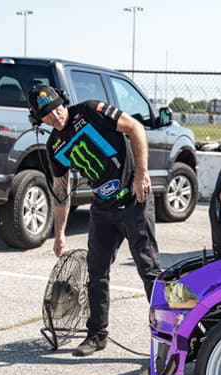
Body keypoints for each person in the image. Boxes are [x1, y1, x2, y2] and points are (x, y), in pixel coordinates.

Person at [27, 84, 161, 357]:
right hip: (102, 207)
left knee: (149, 271)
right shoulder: (54, 146)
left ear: (62, 101)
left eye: (56, 108)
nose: (55, 116)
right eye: (47, 116)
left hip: (133, 198)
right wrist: (59, 234)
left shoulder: (90, 111)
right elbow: (61, 193)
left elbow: (135, 127)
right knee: (96, 271)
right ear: (38, 120)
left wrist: (141, 174)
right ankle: (97, 335)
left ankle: (168, 338)